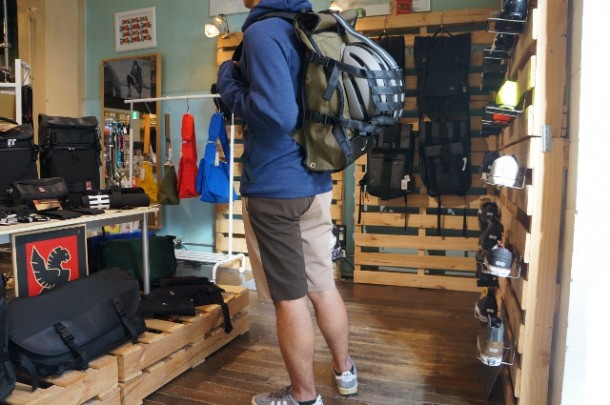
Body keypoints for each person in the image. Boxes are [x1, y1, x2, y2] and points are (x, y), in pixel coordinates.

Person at [216, 1, 357, 405]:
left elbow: (278, 113)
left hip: (275, 187)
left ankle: (303, 397)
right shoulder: (308, 26)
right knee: (322, 285)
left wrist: (228, 83)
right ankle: (345, 372)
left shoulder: (263, 32)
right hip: (315, 179)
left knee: (290, 297)